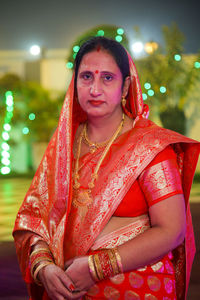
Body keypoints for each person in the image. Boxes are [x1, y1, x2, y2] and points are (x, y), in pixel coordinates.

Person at [13, 36, 200, 300]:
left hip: (138, 288)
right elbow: (35, 220)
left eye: (107, 78)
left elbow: (172, 229)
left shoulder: (148, 147)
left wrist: (96, 267)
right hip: (66, 290)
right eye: (86, 77)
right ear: (75, 83)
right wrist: (44, 268)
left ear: (125, 87)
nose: (95, 89)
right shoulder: (63, 147)